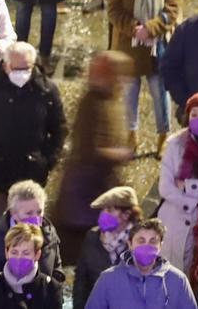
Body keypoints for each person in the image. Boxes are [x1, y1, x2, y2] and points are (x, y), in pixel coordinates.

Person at [0, 40, 67, 215]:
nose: (22, 74)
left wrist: (48, 161)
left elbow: (59, 129)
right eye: (17, 68)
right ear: (6, 66)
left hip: (32, 174)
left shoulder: (46, 90)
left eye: (26, 68)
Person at [107, 0, 181, 155]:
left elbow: (173, 8)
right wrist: (133, 28)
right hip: (129, 46)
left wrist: (150, 29)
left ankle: (163, 135)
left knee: (160, 93)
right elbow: (113, 9)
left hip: (158, 47)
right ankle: (131, 135)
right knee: (130, 93)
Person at [53, 53, 134, 260]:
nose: (125, 81)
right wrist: (121, 153)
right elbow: (91, 148)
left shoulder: (110, 100)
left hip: (95, 189)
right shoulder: (93, 102)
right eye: (121, 76)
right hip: (84, 194)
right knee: (79, 251)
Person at [0, 180, 64, 296]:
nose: (36, 219)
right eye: (29, 213)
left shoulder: (49, 232)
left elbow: (57, 268)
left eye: (39, 212)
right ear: (13, 213)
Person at [85, 219, 198, 309]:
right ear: (130, 244)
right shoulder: (108, 279)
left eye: (153, 241)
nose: (147, 246)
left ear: (160, 246)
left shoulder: (177, 280)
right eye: (141, 240)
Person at [159, 93, 198, 280]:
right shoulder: (175, 144)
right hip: (175, 224)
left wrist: (188, 187)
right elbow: (165, 187)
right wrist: (195, 200)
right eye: (194, 114)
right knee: (172, 281)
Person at [71, 186, 142, 309]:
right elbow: (81, 280)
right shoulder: (92, 237)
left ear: (126, 214)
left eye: (109, 209)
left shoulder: (142, 244)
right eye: (103, 209)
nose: (103, 214)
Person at [0, 223, 64, 308]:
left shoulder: (51, 289)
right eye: (14, 252)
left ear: (37, 254)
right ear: (6, 253)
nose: (19, 257)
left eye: (26, 253)